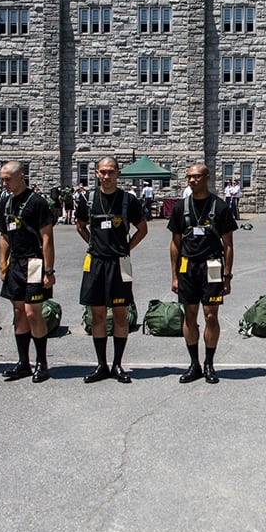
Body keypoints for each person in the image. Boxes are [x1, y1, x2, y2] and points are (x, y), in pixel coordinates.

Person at [76, 156, 148, 383]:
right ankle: (101, 365)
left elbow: (142, 229)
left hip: (120, 263)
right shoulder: (87, 200)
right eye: (102, 172)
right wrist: (94, 244)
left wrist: (126, 248)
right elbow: (80, 226)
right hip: (96, 262)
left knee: (120, 315)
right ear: (97, 173)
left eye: (111, 172)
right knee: (97, 315)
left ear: (118, 174)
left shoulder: (128, 201)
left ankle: (117, 364)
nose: (106, 176)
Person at [169, 163, 237, 384]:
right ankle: (194, 364)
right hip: (187, 267)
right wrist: (174, 275)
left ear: (207, 178)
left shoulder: (219, 207)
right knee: (189, 316)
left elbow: (228, 244)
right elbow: (175, 243)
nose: (192, 181)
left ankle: (209, 363)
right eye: (189, 177)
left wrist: (227, 276)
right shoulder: (181, 208)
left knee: (210, 316)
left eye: (196, 177)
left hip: (212, 267)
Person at [0, 161, 57, 382]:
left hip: (34, 263)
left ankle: (42, 362)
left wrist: (48, 270)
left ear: (22, 176)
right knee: (19, 312)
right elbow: (4, 236)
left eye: (8, 179)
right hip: (15, 263)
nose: (4, 183)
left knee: (33, 312)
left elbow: (47, 238)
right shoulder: (6, 202)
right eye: (2, 179)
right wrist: (3, 264)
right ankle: (23, 362)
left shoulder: (37, 202)